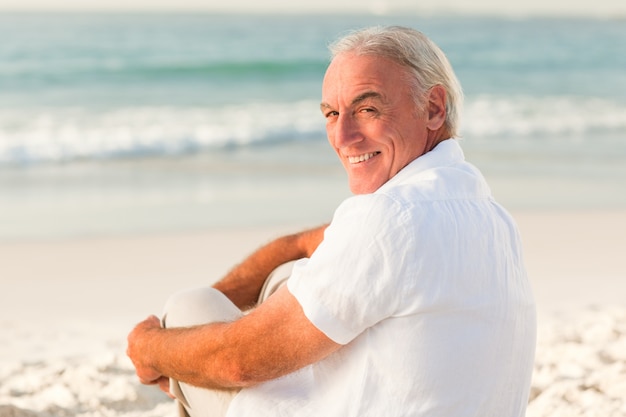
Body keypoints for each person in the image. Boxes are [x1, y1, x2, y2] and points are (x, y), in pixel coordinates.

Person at [127, 25, 536, 417]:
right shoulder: (489, 216)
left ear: (432, 108)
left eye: (367, 109)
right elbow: (305, 245)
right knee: (288, 279)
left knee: (189, 307)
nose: (342, 137)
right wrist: (207, 329)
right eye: (331, 114)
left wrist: (153, 347)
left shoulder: (388, 218)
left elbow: (237, 362)